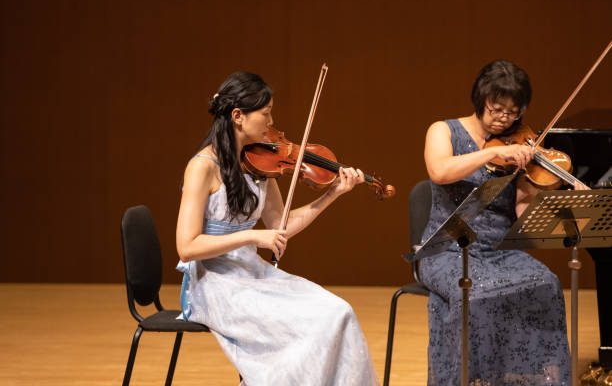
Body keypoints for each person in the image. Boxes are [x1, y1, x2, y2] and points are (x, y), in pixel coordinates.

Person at [175, 71, 379, 386]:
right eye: (266, 113)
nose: (272, 123)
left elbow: (280, 225)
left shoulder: (259, 164)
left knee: (338, 312)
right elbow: (187, 247)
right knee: (302, 328)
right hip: (213, 282)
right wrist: (253, 236)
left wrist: (332, 194)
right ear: (238, 116)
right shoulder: (202, 167)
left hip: (252, 273)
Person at [419, 60, 575, 385]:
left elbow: (520, 212)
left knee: (546, 284)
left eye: (513, 112)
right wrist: (489, 154)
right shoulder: (443, 130)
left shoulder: (518, 144)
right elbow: (439, 170)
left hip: (499, 249)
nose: (504, 118)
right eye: (497, 108)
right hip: (446, 249)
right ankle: (471, 380)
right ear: (481, 98)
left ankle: (523, 380)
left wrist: (534, 180)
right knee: (476, 294)